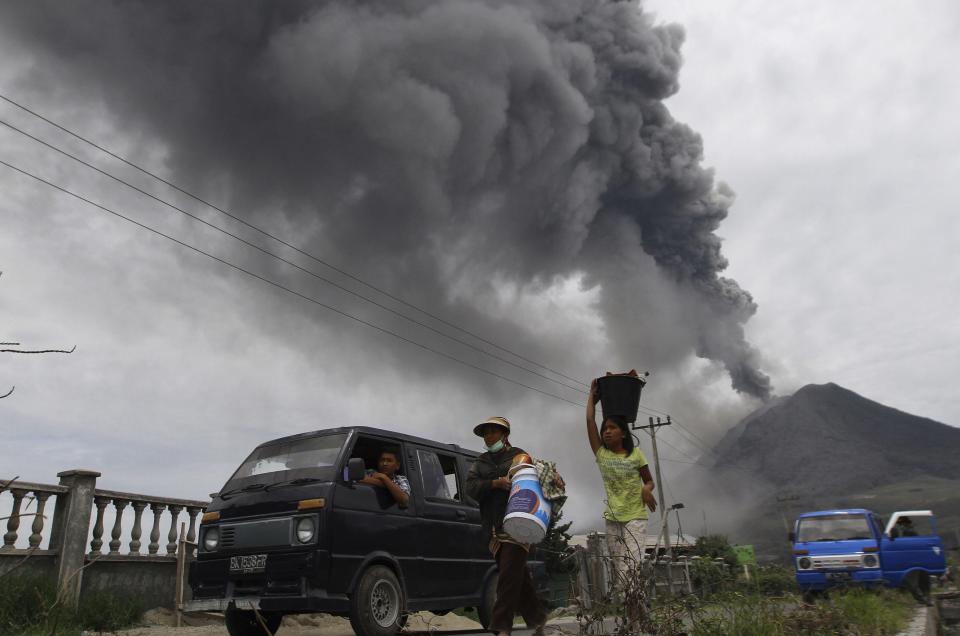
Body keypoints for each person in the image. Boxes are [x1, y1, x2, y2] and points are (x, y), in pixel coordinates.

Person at [465, 416, 546, 636]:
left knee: (508, 575)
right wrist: (494, 483)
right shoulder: (480, 462)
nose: (489, 436)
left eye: (493, 431)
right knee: (517, 576)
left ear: (505, 434)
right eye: (486, 433)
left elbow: (539, 475)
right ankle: (537, 622)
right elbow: (471, 488)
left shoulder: (519, 456)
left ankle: (501, 627)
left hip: (519, 523)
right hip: (493, 527)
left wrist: (553, 477)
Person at [586, 378, 658, 587]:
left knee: (630, 571)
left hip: (635, 517)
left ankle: (636, 618)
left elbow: (649, 481)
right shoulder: (602, 455)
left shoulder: (636, 455)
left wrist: (646, 488)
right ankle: (637, 616)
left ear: (623, 432)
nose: (606, 431)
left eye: (612, 427)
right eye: (605, 429)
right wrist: (592, 396)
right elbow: (590, 421)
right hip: (613, 520)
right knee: (621, 576)